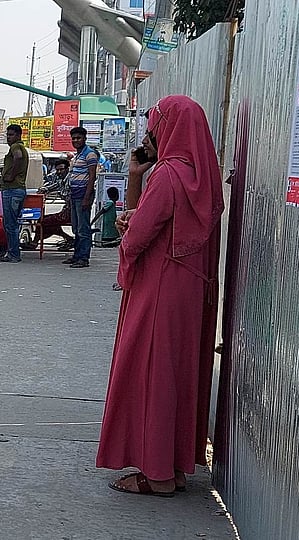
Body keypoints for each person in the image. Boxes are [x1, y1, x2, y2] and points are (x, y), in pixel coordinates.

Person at [96, 95, 225, 497]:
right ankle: (174, 466)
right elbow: (159, 221)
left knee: (150, 373)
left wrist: (126, 231)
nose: (151, 135)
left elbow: (137, 238)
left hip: (159, 289)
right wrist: (136, 176)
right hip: (187, 290)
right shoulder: (201, 176)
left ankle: (158, 476)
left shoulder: (169, 175)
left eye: (155, 127)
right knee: (176, 372)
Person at [64, 127, 99, 268]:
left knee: (83, 228)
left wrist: (87, 197)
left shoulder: (90, 154)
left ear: (84, 138)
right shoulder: (77, 155)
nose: (75, 140)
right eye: (73, 138)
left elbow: (92, 176)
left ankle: (83, 258)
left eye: (78, 138)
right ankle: (77, 255)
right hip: (74, 194)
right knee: (76, 227)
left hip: (83, 194)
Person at [0, 124, 29, 263]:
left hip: (12, 189)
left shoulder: (16, 147)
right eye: (8, 135)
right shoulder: (18, 147)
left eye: (11, 135)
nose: (8, 138)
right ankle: (12, 252)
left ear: (18, 135)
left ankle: (13, 254)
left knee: (10, 224)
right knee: (10, 223)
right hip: (15, 189)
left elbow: (18, 157)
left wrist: (11, 176)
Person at [33, 160, 75, 251]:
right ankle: (68, 238)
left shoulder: (71, 179)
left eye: (61, 169)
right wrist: (44, 189)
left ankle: (35, 242)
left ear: (67, 169)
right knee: (43, 220)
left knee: (44, 221)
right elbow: (53, 186)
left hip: (72, 211)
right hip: (67, 210)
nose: (59, 172)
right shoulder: (61, 181)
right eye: (57, 170)